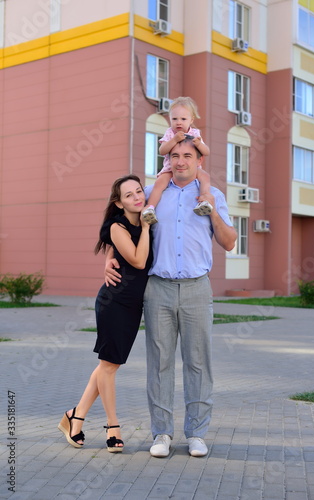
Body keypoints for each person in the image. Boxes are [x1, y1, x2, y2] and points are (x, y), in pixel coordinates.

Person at [105, 137, 237, 458]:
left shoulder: (212, 195)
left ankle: (196, 434)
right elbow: (122, 222)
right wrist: (108, 255)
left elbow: (230, 242)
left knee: (198, 362)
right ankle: (161, 433)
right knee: (160, 363)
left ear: (198, 161)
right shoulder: (153, 194)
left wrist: (213, 214)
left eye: (187, 155)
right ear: (168, 159)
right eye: (174, 155)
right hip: (158, 288)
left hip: (196, 287)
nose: (180, 161)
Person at [58, 174, 152, 453]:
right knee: (109, 365)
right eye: (129, 195)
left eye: (139, 191)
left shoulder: (141, 220)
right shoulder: (117, 225)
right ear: (119, 202)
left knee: (109, 365)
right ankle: (113, 426)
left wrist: (111, 258)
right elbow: (137, 259)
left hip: (134, 304)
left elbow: (118, 254)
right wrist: (146, 229)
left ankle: (74, 417)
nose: (137, 197)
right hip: (115, 302)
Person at [142, 96, 212, 225]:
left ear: (191, 120)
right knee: (160, 183)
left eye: (183, 119)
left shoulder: (195, 133)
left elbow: (206, 152)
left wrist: (199, 144)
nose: (178, 122)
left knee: (205, 177)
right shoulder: (170, 133)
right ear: (170, 119)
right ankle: (150, 208)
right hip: (171, 168)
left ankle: (204, 200)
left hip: (192, 169)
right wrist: (174, 140)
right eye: (174, 119)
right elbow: (162, 151)